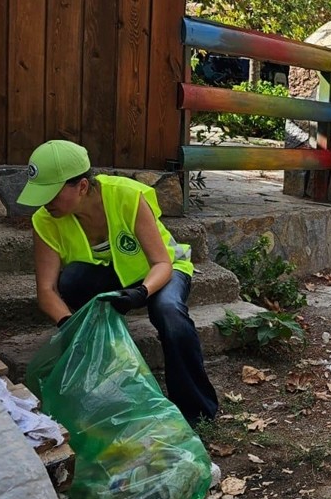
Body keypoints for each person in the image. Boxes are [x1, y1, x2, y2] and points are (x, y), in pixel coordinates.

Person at [16, 140, 219, 424]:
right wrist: (71, 326)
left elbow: (162, 263)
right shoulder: (46, 220)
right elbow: (46, 290)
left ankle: (196, 410)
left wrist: (141, 292)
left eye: (51, 194)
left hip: (160, 272)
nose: (45, 203)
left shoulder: (126, 195)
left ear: (83, 186)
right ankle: (108, 382)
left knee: (169, 312)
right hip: (113, 278)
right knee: (72, 279)